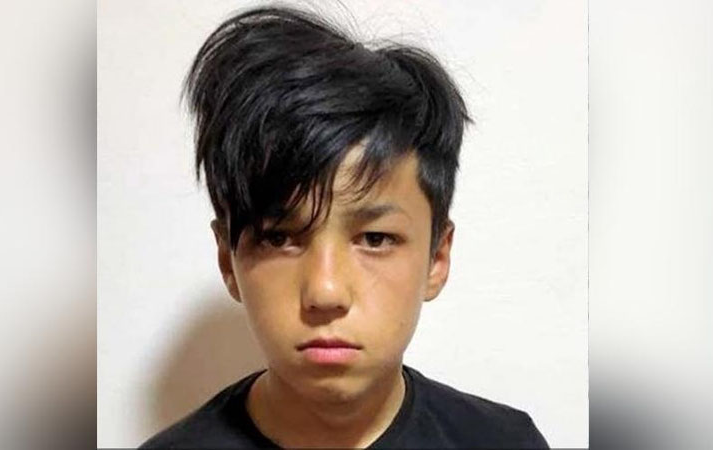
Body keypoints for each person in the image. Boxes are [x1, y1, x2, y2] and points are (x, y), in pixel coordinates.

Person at [141, 5, 548, 449]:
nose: (326, 291)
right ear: (227, 259)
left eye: (375, 239)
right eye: (279, 237)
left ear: (437, 257)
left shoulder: (503, 442)